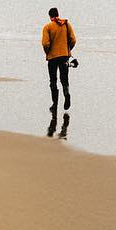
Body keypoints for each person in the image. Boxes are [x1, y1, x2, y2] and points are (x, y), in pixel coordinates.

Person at [41, 7, 75, 135]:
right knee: (64, 79)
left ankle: (54, 104)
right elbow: (73, 39)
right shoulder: (66, 24)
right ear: (58, 14)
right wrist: (67, 50)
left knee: (53, 80)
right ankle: (67, 94)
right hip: (64, 56)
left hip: (52, 58)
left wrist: (48, 52)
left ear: (50, 16)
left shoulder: (47, 27)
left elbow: (45, 44)